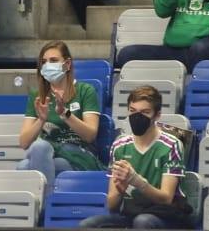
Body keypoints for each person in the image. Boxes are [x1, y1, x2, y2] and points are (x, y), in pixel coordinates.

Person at [80, 85, 188, 229]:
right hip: (130, 214)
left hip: (164, 216)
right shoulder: (119, 145)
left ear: (157, 115)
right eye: (133, 111)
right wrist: (120, 191)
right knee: (88, 224)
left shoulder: (172, 145)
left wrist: (137, 181)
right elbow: (112, 205)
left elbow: (166, 199)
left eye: (145, 112)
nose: (137, 117)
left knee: (142, 221)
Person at [17, 41, 102, 191]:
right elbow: (24, 142)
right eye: (44, 62)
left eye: (54, 61)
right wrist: (41, 120)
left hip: (77, 155)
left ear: (67, 64)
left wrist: (64, 113)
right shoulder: (37, 96)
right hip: (47, 155)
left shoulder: (85, 91)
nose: (48, 65)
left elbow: (90, 135)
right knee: (37, 151)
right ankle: (48, 205)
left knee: (25, 166)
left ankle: (40, 207)